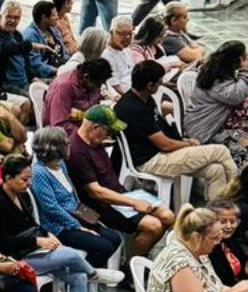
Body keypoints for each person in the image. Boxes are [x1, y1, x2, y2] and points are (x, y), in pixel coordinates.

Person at [0, 155, 122, 292]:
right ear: (9, 178)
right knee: (72, 254)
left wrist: (47, 234)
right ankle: (94, 274)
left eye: (30, 178)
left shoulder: (22, 195)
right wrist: (36, 240)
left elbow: (33, 224)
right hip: (17, 258)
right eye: (24, 179)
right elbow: (2, 243)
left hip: (34, 249)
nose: (29, 183)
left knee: (79, 277)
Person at [68, 106, 174, 260]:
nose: (108, 136)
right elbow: (96, 192)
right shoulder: (77, 151)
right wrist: (134, 202)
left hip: (119, 193)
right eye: (108, 131)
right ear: (95, 128)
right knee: (153, 226)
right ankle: (132, 266)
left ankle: (141, 251)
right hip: (102, 205)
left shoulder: (95, 142)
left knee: (168, 216)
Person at [117, 60, 237, 195]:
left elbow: (162, 129)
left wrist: (185, 140)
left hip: (160, 154)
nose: (161, 83)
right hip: (151, 160)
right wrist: (188, 144)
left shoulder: (146, 99)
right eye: (159, 81)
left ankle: (218, 212)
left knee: (216, 170)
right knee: (220, 151)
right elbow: (165, 145)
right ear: (150, 85)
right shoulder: (134, 108)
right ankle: (239, 194)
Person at [29, 127, 124, 286]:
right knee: (104, 247)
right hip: (58, 225)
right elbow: (52, 208)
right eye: (66, 144)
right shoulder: (39, 173)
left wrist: (93, 219)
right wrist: (78, 226)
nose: (69, 147)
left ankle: (88, 278)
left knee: (114, 238)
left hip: (76, 214)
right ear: (54, 148)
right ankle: (84, 280)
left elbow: (73, 197)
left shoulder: (61, 165)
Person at [189, 41, 248, 165]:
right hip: (208, 131)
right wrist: (244, 71)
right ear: (239, 59)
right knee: (243, 149)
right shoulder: (216, 78)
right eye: (245, 55)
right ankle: (238, 181)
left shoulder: (217, 70)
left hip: (216, 126)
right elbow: (236, 96)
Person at [0, 1, 52, 98]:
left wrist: (32, 78)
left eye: (16, 18)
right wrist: (31, 45)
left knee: (57, 85)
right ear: (0, 17)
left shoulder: (17, 35)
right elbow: (5, 48)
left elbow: (26, 61)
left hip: (25, 81)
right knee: (40, 99)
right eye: (8, 17)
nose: (12, 21)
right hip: (7, 85)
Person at [42, 58, 112, 137]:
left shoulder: (92, 84)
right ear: (86, 77)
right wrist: (86, 134)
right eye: (97, 84)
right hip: (60, 137)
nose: (98, 88)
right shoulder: (64, 86)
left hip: (85, 130)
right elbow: (59, 125)